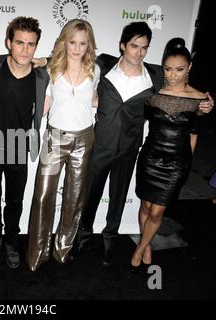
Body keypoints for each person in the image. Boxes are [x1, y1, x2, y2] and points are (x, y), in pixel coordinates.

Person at [74, 22, 213, 266]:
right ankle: (82, 238)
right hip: (101, 147)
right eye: (134, 46)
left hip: (130, 150)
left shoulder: (157, 75)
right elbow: (70, 57)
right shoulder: (104, 65)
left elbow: (182, 97)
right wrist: (41, 62)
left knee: (117, 199)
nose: (139, 52)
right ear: (122, 46)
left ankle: (109, 241)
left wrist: (204, 105)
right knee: (90, 196)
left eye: (144, 48)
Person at [0, 16, 49, 269]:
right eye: (20, 43)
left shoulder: (41, 78)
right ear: (9, 42)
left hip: (19, 147)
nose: (25, 49)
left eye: (31, 44)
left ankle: (11, 242)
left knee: (15, 200)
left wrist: (45, 61)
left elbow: (72, 61)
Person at [26, 19, 99, 271]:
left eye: (82, 43)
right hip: (55, 137)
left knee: (74, 198)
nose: (77, 48)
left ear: (89, 45)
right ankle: (37, 252)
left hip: (84, 138)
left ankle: (63, 249)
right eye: (72, 42)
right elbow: (44, 105)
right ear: (64, 41)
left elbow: (95, 100)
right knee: (43, 195)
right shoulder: (51, 68)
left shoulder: (95, 70)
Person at [130, 38, 208, 272]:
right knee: (145, 207)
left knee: (158, 211)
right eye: (168, 69)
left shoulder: (199, 99)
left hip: (176, 163)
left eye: (179, 70)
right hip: (150, 157)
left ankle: (138, 249)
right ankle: (148, 246)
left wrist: (187, 163)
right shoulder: (154, 92)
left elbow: (194, 134)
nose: (172, 75)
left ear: (189, 68)